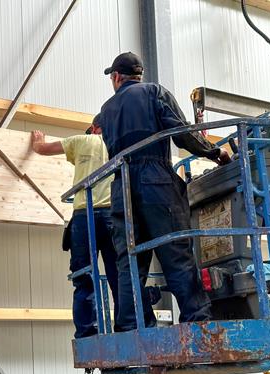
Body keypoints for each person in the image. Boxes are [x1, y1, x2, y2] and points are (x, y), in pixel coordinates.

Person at [99, 52, 231, 331]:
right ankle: (197, 321)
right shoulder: (154, 92)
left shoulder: (106, 110)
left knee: (130, 261)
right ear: (137, 75)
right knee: (176, 251)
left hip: (122, 186)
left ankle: (129, 326)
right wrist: (214, 152)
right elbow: (183, 132)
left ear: (117, 77)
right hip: (155, 180)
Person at [31, 118, 136, 337]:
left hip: (83, 217)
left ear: (95, 128)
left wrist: (38, 140)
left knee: (84, 278)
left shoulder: (81, 141)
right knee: (119, 276)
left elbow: (41, 149)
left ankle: (88, 333)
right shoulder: (119, 146)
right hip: (112, 216)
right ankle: (126, 330)